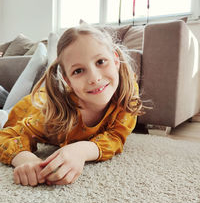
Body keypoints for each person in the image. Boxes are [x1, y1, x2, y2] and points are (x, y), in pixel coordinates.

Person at [0, 24, 143, 186]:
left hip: (50, 93)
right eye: (78, 71)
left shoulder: (127, 93)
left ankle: (45, 59)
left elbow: (115, 136)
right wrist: (27, 159)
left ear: (116, 60)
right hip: (28, 107)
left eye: (101, 61)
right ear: (67, 81)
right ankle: (40, 58)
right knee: (5, 109)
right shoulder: (50, 115)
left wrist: (81, 150)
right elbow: (5, 136)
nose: (94, 78)